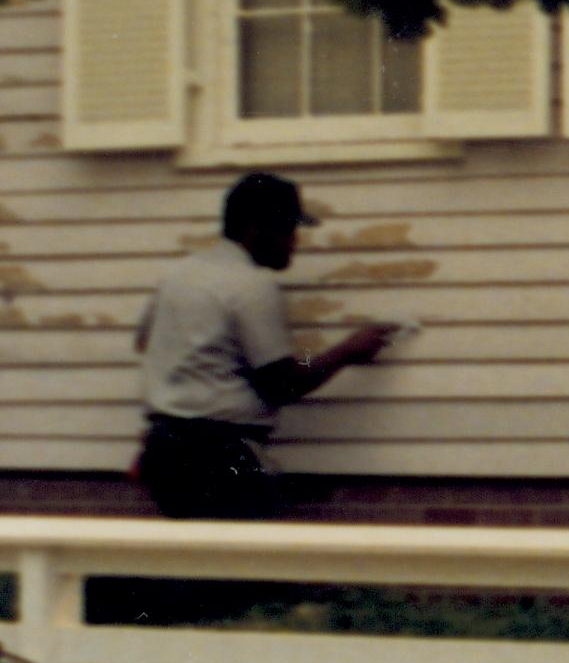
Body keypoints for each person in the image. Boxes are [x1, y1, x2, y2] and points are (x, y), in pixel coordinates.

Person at [134, 173, 398, 519]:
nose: (294, 242)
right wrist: (347, 350)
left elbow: (145, 342)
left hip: (163, 449)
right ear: (255, 228)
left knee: (196, 564)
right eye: (288, 230)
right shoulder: (252, 285)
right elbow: (282, 382)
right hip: (218, 455)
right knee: (245, 563)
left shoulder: (178, 275)